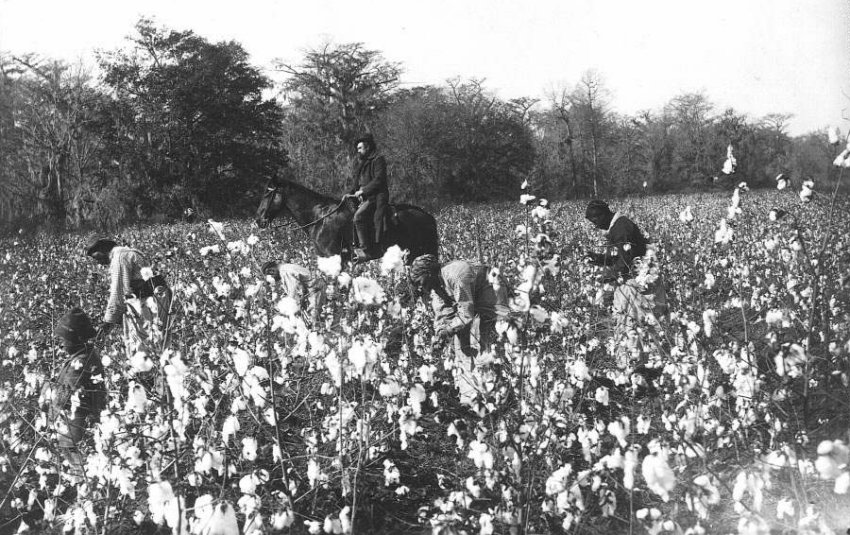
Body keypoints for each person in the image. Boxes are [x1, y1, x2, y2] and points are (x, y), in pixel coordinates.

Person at [409, 254, 510, 406]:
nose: (419, 287)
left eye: (420, 282)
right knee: (460, 346)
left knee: (485, 341)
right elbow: (443, 314)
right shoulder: (437, 287)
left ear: (429, 273)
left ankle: (496, 394)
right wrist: (440, 333)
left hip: (492, 292)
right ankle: (469, 399)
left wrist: (448, 330)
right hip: (472, 298)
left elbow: (466, 314)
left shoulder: (456, 275)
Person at [582, 200, 667, 326]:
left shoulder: (620, 228)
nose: (596, 226)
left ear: (602, 216)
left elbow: (626, 260)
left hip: (642, 276)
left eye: (595, 221)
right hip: (638, 272)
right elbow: (625, 256)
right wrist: (599, 259)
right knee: (635, 316)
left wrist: (608, 276)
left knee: (641, 317)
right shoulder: (618, 225)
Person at [41, 308, 106, 468]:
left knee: (79, 470)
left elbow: (64, 398)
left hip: (75, 432)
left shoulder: (81, 363)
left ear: (77, 338)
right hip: (73, 430)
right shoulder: (84, 356)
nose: (62, 344)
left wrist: (47, 388)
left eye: (65, 339)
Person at [85, 238, 171, 355]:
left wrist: (107, 324)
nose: (98, 262)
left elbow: (118, 294)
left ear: (103, 249)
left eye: (96, 257)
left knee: (144, 350)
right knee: (161, 344)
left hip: (148, 305)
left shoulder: (120, 258)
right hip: (159, 302)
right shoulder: (129, 252)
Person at [349, 133, 389, 261]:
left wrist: (363, 191)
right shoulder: (362, 163)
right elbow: (356, 183)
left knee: (358, 217)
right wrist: (348, 194)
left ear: (368, 147)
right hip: (364, 197)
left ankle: (365, 250)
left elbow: (379, 180)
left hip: (376, 196)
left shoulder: (378, 159)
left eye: (360, 148)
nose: (358, 151)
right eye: (357, 149)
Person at [262, 260, 327, 323]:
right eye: (269, 274)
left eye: (270, 271)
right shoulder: (285, 268)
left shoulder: (284, 271)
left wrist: (291, 308)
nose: (272, 275)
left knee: (314, 322)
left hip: (315, 289)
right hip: (315, 289)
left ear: (273, 268)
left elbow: (293, 290)